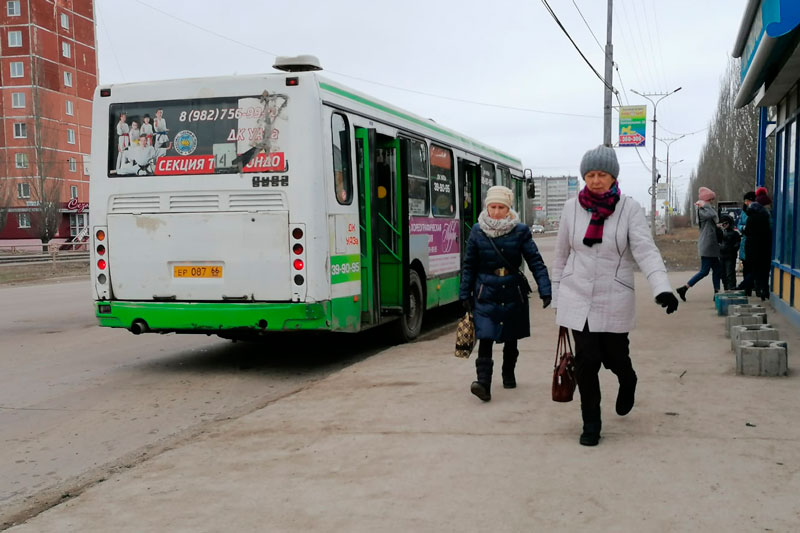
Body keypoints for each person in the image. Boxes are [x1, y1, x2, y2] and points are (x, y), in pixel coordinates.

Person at [551, 145, 678, 446]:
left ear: (613, 177)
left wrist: (662, 288)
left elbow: (646, 251)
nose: (595, 180)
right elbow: (560, 256)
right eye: (590, 175)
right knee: (587, 362)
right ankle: (591, 423)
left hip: (614, 297)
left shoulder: (629, 208)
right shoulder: (571, 208)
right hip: (577, 296)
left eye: (602, 174)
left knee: (615, 357)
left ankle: (627, 379)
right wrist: (557, 296)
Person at [459, 185, 552, 402]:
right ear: (487, 207)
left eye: (501, 207)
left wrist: (545, 290)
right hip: (486, 291)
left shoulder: (520, 231)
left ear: (508, 209)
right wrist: (464, 293)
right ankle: (483, 384)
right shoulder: (477, 230)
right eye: (493, 206)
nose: (497, 211)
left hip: (512, 290)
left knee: (511, 336)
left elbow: (535, 261)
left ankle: (508, 372)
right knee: (486, 336)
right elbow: (469, 264)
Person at [675, 187, 722, 301]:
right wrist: (705, 205)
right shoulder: (702, 211)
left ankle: (717, 293)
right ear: (706, 200)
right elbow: (712, 214)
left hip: (711, 244)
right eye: (710, 200)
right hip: (707, 245)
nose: (711, 202)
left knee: (717, 270)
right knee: (705, 271)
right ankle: (684, 288)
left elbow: (714, 216)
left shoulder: (705, 209)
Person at [746, 187, 773, 300]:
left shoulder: (751, 216)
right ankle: (764, 290)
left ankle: (753, 288)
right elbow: (769, 230)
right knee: (764, 270)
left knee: (755, 270)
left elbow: (747, 231)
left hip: (753, 247)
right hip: (765, 246)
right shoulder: (766, 216)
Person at [736, 191, 755, 295]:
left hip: (753, 241)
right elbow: (739, 224)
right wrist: (742, 228)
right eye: (745, 201)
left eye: (748, 201)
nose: (746, 203)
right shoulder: (743, 211)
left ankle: (751, 285)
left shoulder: (756, 211)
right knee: (746, 266)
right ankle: (747, 289)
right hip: (744, 241)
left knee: (752, 266)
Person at [718, 214, 741, 290]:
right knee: (723, 274)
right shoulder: (721, 232)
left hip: (730, 256)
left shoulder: (735, 234)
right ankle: (726, 287)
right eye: (722, 223)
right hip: (722, 256)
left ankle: (732, 287)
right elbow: (718, 241)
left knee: (730, 273)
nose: (724, 225)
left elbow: (737, 244)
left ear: (730, 223)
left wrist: (732, 249)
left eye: (726, 223)